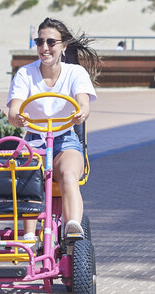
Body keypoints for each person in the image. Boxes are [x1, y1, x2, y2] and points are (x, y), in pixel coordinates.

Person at [8, 17, 98, 244]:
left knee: (68, 174)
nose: (44, 48)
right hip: (35, 139)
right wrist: (19, 116)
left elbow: (83, 104)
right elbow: (14, 111)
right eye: (39, 42)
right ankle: (29, 235)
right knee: (27, 174)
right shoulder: (25, 74)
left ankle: (72, 226)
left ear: (63, 46)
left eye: (50, 42)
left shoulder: (75, 73)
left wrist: (81, 112)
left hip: (64, 138)